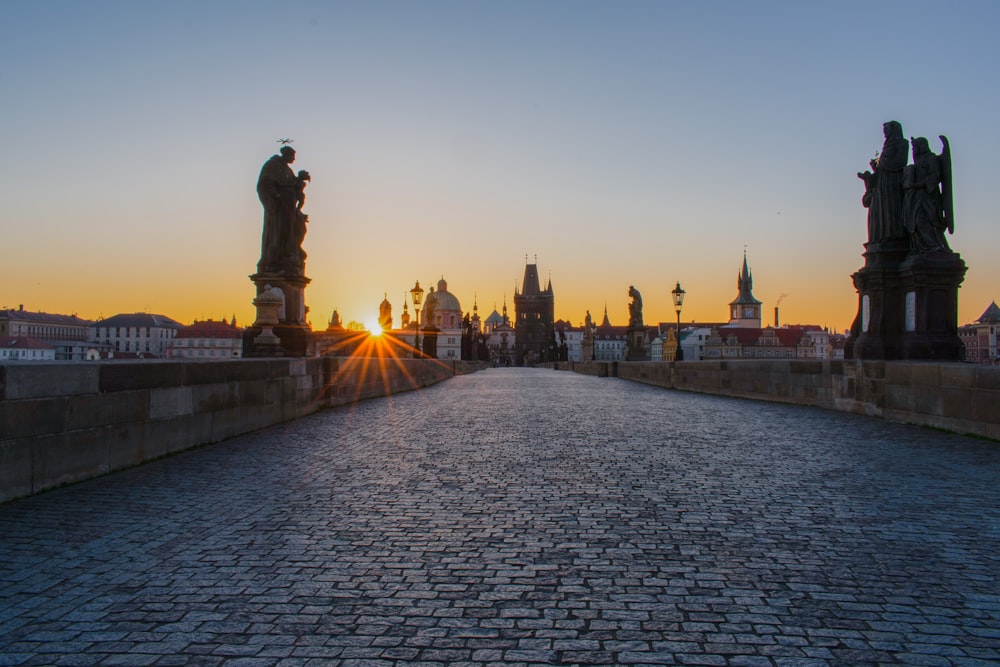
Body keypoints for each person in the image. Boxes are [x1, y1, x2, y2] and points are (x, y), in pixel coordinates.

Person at [858, 121, 908, 246]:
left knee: (892, 208)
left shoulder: (902, 143)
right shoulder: (886, 145)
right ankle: (884, 236)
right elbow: (883, 166)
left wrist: (882, 165)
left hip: (894, 182)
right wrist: (876, 168)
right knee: (882, 209)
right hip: (883, 182)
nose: (885, 132)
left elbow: (900, 162)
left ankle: (894, 236)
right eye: (884, 130)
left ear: (894, 130)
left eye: (887, 129)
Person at [903, 137, 951, 253]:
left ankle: (934, 246)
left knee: (923, 220)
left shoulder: (931, 159)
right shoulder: (918, 161)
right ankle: (922, 248)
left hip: (928, 197)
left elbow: (934, 177)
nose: (914, 150)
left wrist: (917, 184)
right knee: (914, 222)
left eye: (916, 147)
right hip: (916, 197)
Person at [256, 146, 298, 273]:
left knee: (292, 231)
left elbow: (294, 185)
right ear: (286, 155)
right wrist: (276, 195)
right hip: (278, 207)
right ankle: (274, 258)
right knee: (277, 232)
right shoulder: (272, 165)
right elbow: (264, 184)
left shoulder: (288, 170)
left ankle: (287, 255)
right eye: (292, 156)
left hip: (289, 206)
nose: (294, 159)